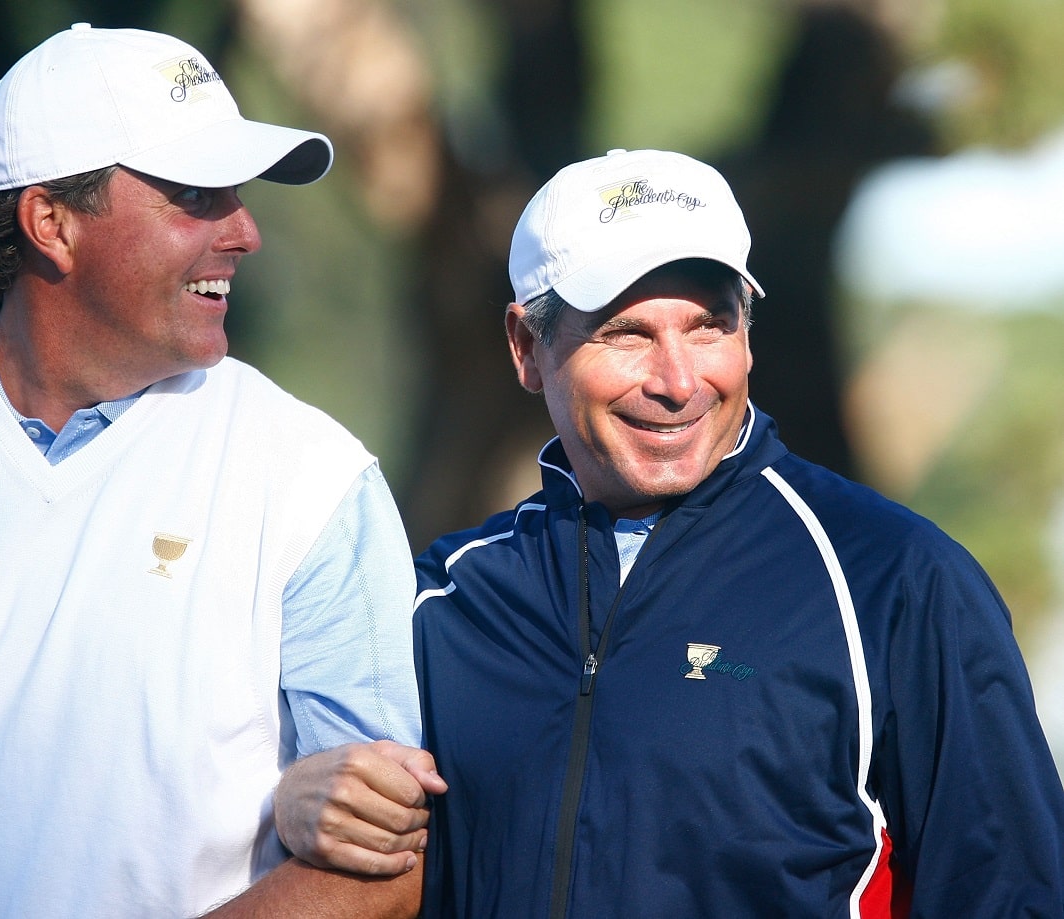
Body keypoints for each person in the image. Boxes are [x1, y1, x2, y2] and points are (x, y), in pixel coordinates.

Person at [0, 23, 443, 918]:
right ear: (51, 223)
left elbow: (388, 863)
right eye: (196, 195)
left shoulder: (312, 480)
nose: (247, 232)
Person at [412, 148, 1064, 916]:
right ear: (527, 348)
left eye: (709, 326)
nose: (679, 380)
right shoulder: (444, 598)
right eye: (627, 333)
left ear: (747, 335)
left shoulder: (897, 580)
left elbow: (1015, 894)